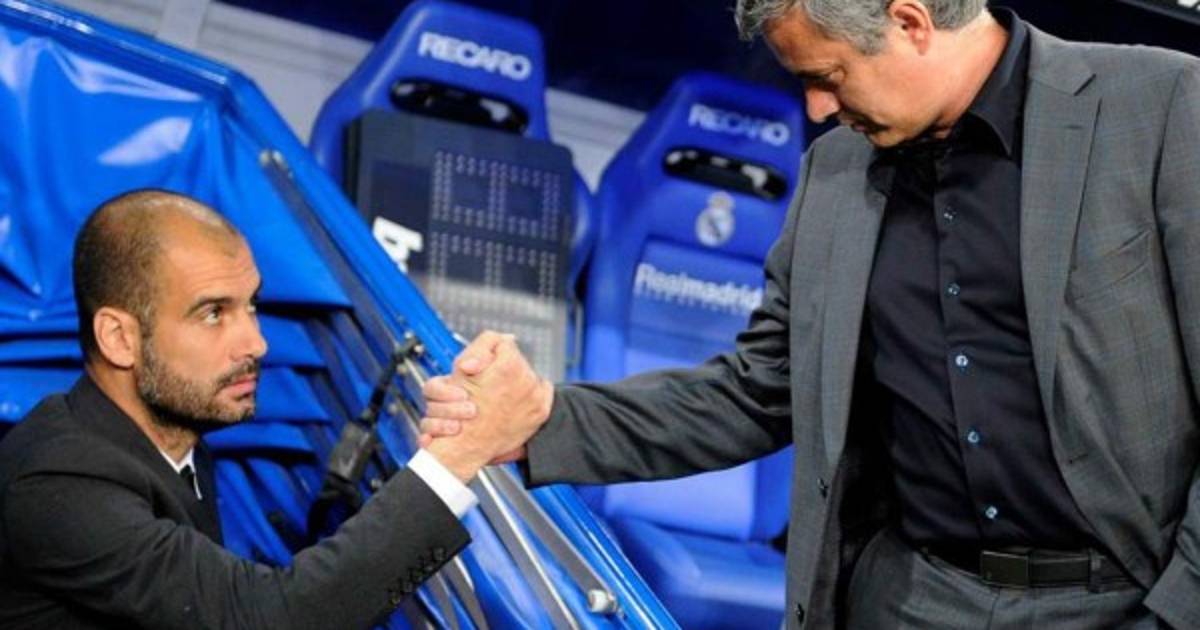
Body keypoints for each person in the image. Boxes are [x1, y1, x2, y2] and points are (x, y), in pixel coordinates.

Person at [421, 1, 1200, 628]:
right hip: (910, 601)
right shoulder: (833, 173)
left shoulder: (1162, 109)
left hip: (1121, 605)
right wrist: (543, 420)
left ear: (910, 22)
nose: (818, 109)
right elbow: (758, 391)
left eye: (828, 76)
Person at [0, 189, 543, 628]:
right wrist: (459, 454)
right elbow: (269, 618)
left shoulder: (176, 442)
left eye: (251, 305)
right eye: (213, 313)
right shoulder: (56, 482)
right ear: (119, 338)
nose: (256, 343)